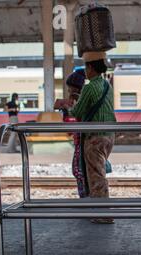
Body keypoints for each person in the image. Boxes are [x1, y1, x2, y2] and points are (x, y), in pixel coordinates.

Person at [69, 52, 116, 224]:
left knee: (96, 175)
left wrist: (68, 105)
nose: (86, 71)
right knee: (99, 173)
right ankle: (102, 211)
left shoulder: (89, 86)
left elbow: (77, 111)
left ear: (90, 67)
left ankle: (103, 214)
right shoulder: (106, 85)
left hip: (95, 136)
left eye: (87, 67)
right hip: (109, 135)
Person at [56, 69, 88, 198]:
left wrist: (67, 109)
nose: (68, 92)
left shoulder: (79, 100)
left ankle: (85, 197)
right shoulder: (82, 98)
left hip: (81, 139)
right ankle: (86, 197)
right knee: (81, 170)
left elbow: (75, 116)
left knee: (78, 169)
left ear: (75, 88)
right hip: (81, 138)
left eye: (69, 89)